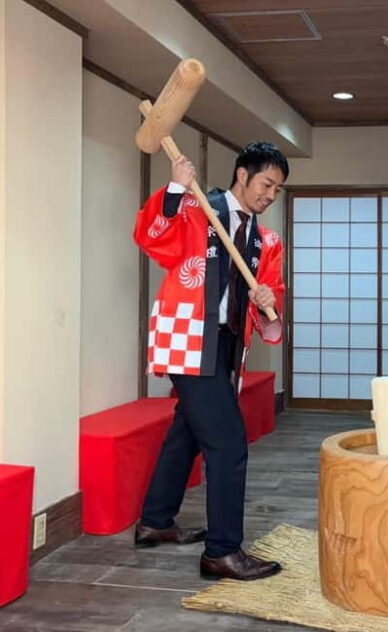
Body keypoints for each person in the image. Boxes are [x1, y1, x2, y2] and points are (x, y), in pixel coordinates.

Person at [131, 141, 288, 581]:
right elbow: (151, 239)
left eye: (277, 190)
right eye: (266, 184)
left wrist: (266, 298)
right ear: (242, 175)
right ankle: (222, 551)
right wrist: (175, 190)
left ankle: (155, 520)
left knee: (188, 431)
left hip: (225, 345)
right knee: (228, 442)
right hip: (187, 337)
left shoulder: (265, 240)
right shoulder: (197, 210)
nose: (270, 195)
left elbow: (270, 297)